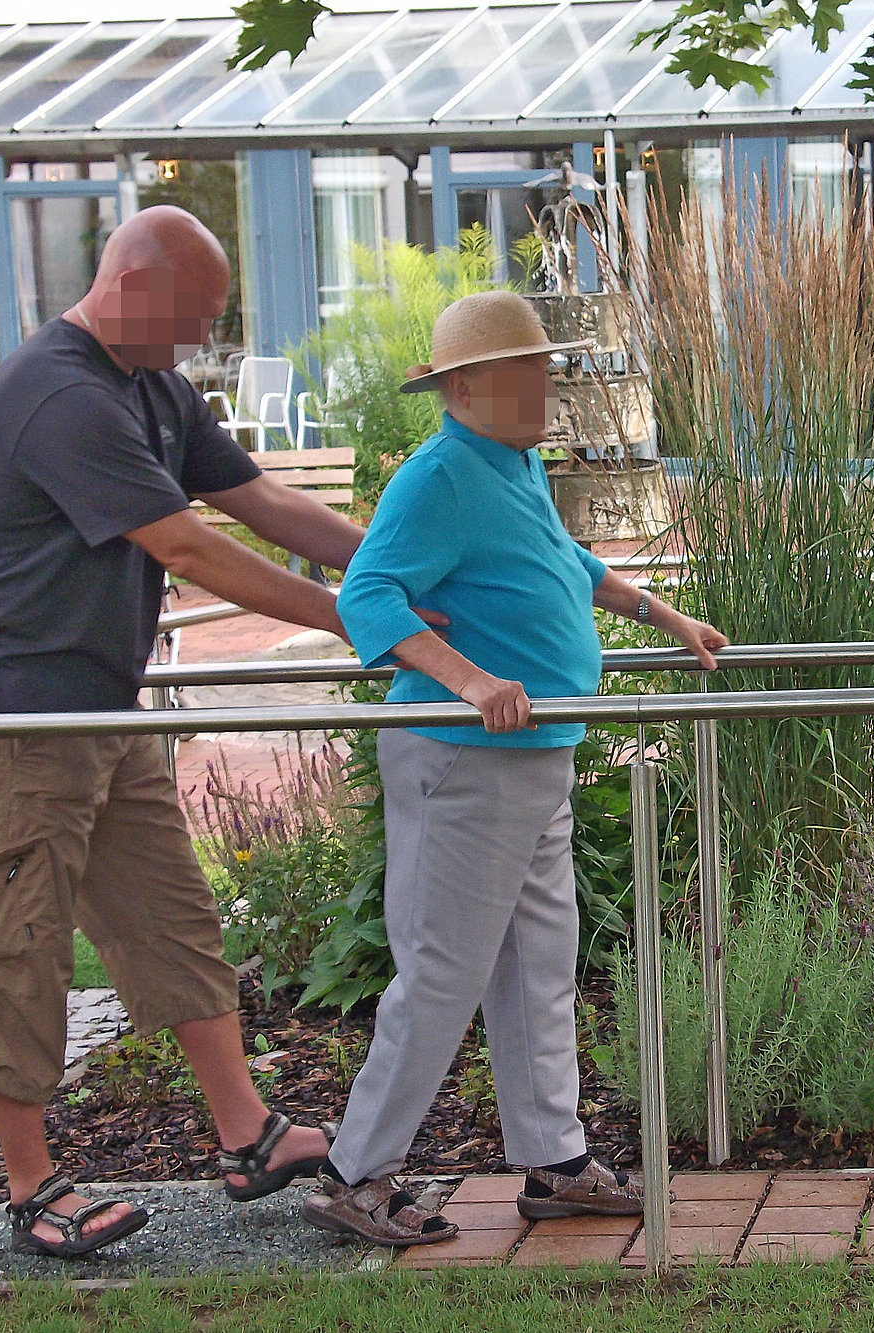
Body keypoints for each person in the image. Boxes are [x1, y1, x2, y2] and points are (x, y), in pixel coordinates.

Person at [0, 206, 436, 1259]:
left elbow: (256, 499)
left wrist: (392, 572)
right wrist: (361, 619)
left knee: (171, 919)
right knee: (14, 945)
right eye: (195, 318)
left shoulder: (147, 383)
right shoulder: (58, 393)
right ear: (134, 285)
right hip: (21, 720)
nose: (202, 343)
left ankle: (248, 1133)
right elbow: (187, 546)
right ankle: (31, 1186)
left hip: (104, 710)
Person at [302, 291, 727, 1246]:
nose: (547, 385)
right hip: (461, 759)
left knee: (540, 965)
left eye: (547, 367)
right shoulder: (438, 475)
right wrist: (469, 678)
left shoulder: (515, 464)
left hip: (538, 757)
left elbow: (565, 562)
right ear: (463, 386)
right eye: (525, 370)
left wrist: (665, 616)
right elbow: (368, 589)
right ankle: (352, 1170)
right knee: (442, 971)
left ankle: (555, 1159)